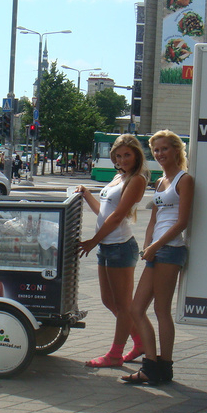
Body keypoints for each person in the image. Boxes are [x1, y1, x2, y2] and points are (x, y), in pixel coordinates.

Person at [122, 130, 194, 385]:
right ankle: (151, 364)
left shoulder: (184, 180)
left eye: (164, 149)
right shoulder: (161, 181)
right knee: (136, 308)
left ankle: (165, 366)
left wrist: (156, 246)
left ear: (176, 150)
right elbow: (154, 218)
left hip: (171, 249)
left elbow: (182, 222)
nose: (160, 154)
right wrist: (146, 244)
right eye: (156, 150)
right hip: (155, 249)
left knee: (161, 309)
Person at [76, 134, 149, 368]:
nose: (122, 159)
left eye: (127, 154)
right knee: (109, 301)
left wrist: (92, 241)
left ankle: (115, 355)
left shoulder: (137, 180)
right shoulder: (120, 177)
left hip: (120, 246)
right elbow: (104, 212)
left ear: (137, 154)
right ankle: (140, 342)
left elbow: (117, 217)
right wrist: (87, 194)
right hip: (108, 246)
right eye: (118, 155)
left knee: (123, 305)